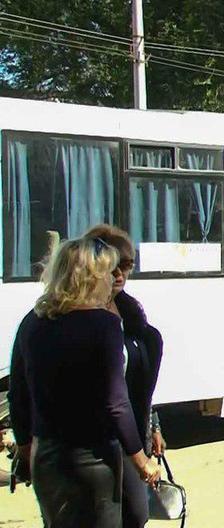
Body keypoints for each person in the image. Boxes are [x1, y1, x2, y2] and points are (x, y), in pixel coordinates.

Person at [8, 237, 161, 527]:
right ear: (91, 277)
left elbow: (18, 394)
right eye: (106, 272)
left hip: (48, 457)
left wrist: (27, 450)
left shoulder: (33, 321)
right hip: (92, 458)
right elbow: (116, 402)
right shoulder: (104, 326)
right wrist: (142, 462)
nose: (111, 279)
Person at [84, 225, 165, 527]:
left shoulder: (131, 314)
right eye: (114, 267)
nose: (120, 275)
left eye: (127, 267)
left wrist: (153, 424)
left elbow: (137, 382)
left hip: (131, 433)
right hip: (93, 442)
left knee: (136, 514)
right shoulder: (80, 314)